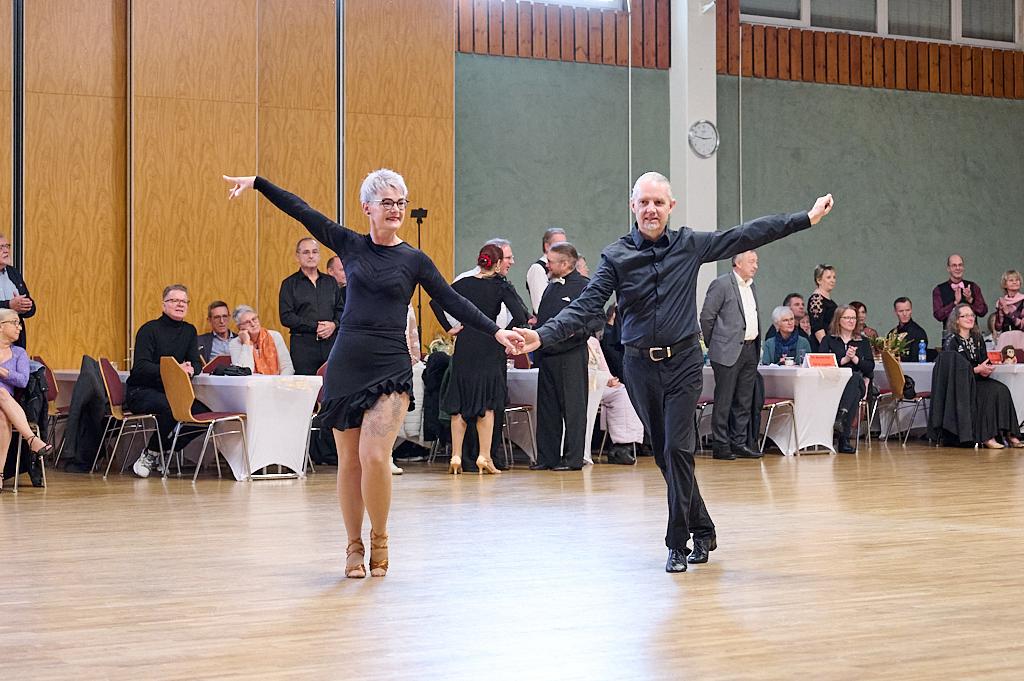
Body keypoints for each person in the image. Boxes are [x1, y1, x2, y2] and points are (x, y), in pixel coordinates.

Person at [518, 171, 834, 572]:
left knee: (678, 450)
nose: (651, 209)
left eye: (658, 202)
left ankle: (677, 543)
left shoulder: (689, 244)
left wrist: (805, 218)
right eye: (644, 202)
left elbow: (745, 234)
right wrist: (541, 336)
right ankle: (703, 527)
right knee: (666, 456)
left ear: (671, 207)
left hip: (683, 362)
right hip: (638, 367)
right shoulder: (616, 256)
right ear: (633, 207)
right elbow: (586, 306)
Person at [223, 170, 522, 579]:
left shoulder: (414, 260)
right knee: (349, 462)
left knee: (376, 455)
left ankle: (380, 536)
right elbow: (301, 210)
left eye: (400, 202)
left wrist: (496, 331)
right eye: (387, 202)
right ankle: (353, 545)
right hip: (347, 364)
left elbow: (453, 300)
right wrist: (258, 183)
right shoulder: (349, 244)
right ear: (367, 207)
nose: (395, 209)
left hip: (391, 366)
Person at [430, 244, 529, 475]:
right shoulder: (500, 285)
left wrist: (450, 328)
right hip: (490, 343)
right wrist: (506, 333)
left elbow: (436, 301)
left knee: (460, 403)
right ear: (497, 263)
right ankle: (484, 456)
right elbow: (521, 314)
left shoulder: (463, 283)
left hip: (465, 344)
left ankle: (456, 456)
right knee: (487, 404)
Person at [124, 284, 207, 478]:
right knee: (172, 407)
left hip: (172, 392)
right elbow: (140, 367)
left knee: (204, 415)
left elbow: (195, 362)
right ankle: (151, 454)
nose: (180, 304)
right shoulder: (149, 330)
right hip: (141, 391)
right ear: (164, 305)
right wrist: (175, 369)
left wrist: (192, 369)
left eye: (184, 301)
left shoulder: (189, 331)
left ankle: (162, 449)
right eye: (175, 300)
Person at [531, 242, 597, 472]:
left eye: (550, 262)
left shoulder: (584, 286)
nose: (547, 265)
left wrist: (573, 335)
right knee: (547, 408)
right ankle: (547, 457)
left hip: (571, 355)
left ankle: (572, 459)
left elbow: (595, 320)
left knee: (573, 408)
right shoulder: (550, 287)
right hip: (547, 355)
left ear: (566, 263)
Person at [699, 250, 763, 460]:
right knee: (724, 399)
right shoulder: (722, 284)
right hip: (726, 350)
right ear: (738, 263)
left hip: (750, 348)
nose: (755, 266)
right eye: (751, 261)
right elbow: (707, 317)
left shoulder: (751, 285)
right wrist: (715, 344)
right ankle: (720, 444)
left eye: (756, 262)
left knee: (744, 400)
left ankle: (739, 442)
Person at [943, 303, 1023, 449]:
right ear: (957, 320)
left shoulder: (977, 338)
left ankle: (1011, 434)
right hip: (961, 383)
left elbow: (983, 360)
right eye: (965, 316)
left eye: (972, 315)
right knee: (989, 392)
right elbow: (952, 369)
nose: (970, 318)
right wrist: (975, 370)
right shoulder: (951, 341)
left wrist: (986, 368)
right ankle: (987, 437)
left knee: (1002, 389)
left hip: (978, 378)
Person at [0, 309, 52, 493]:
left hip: (6, 406)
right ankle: (31, 439)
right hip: (5, 399)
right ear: (1, 326)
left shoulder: (19, 353)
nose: (19, 327)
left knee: (2, 416)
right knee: (2, 393)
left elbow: (23, 380)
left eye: (19, 323)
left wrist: (3, 372)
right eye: (14, 322)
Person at [279, 237, 344, 375]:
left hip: (331, 345)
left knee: (332, 383)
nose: (311, 256)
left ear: (319, 255)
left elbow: (341, 310)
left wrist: (334, 324)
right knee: (305, 386)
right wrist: (315, 326)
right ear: (297, 256)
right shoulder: (289, 284)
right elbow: (286, 317)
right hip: (303, 347)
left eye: (314, 252)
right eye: (306, 252)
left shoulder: (330, 282)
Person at [820, 305, 874, 454]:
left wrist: (855, 359)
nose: (851, 321)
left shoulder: (863, 341)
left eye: (853, 318)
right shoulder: (828, 340)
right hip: (833, 383)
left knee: (854, 377)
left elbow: (870, 367)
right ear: (839, 320)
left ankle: (840, 419)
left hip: (858, 381)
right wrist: (844, 360)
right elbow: (822, 363)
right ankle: (843, 439)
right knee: (854, 392)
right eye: (847, 318)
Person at [227, 305, 294, 375]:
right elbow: (242, 372)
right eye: (247, 322)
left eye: (254, 319)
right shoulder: (235, 343)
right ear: (239, 327)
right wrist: (246, 343)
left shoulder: (275, 336)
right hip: (251, 382)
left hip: (277, 380)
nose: (253, 324)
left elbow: (287, 367)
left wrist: (280, 380)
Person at [933, 254, 987, 334]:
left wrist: (970, 300)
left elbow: (983, 312)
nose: (958, 268)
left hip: (973, 335)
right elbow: (938, 315)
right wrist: (954, 303)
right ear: (948, 269)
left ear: (963, 267)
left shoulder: (973, 286)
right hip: (950, 335)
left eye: (960, 265)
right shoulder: (938, 290)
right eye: (954, 265)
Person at [0, 235, 35, 349]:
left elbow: (31, 308)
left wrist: (26, 306)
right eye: (1, 247)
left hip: (15, 344)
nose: (6, 250)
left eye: (7, 246)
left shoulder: (13, 273)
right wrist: (9, 305)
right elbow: (10, 305)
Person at [525, 227, 567, 315]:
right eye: (559, 245)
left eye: (565, 245)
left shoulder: (563, 269)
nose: (564, 250)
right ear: (547, 246)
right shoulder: (538, 269)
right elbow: (539, 306)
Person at [806, 264, 837, 352]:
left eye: (834, 277)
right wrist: (827, 348)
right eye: (828, 277)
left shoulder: (827, 299)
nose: (832, 280)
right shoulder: (816, 299)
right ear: (819, 280)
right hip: (821, 346)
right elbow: (817, 326)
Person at [887, 297, 929, 362]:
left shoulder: (919, 333)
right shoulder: (891, 334)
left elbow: (916, 360)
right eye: (901, 311)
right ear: (895, 312)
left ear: (911, 310)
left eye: (907, 310)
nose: (904, 314)